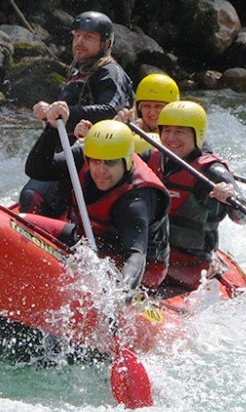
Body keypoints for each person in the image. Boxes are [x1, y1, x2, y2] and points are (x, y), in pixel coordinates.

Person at [24, 101, 170, 297]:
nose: (101, 170)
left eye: (110, 163)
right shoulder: (87, 154)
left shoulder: (136, 200)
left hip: (138, 267)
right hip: (88, 242)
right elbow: (37, 169)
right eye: (96, 161)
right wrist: (51, 128)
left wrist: (121, 291)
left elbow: (136, 256)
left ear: (126, 161)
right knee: (22, 223)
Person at [20, 11, 134, 217]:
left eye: (88, 37)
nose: (80, 41)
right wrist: (50, 115)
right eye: (77, 36)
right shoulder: (80, 71)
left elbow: (110, 110)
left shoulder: (110, 72)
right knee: (31, 191)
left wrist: (65, 114)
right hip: (66, 149)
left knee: (33, 195)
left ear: (106, 44)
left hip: (94, 153)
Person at [138, 101, 246, 295]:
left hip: (190, 266)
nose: (171, 138)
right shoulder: (151, 158)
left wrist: (228, 197)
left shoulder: (212, 171)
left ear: (197, 135)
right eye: (167, 131)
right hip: (151, 257)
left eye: (180, 132)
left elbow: (244, 217)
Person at [75, 73, 180, 153]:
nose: (152, 112)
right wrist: (93, 136)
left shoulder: (183, 134)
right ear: (139, 109)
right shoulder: (131, 129)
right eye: (146, 106)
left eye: (158, 107)